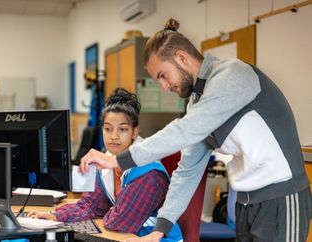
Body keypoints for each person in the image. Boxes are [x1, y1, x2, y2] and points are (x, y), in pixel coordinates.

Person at [80, 18, 312, 242]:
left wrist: (118, 160)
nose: (163, 86)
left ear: (181, 57)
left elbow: (185, 130)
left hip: (281, 196)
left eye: (163, 75)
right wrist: (159, 231)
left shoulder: (233, 75)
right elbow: (187, 171)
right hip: (246, 203)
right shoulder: (197, 102)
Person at [29, 88, 182, 241]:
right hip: (125, 237)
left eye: (122, 129)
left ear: (134, 132)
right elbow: (90, 206)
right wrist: (55, 216)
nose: (113, 136)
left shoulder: (148, 173)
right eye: (108, 129)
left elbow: (121, 223)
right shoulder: (106, 162)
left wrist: (110, 211)